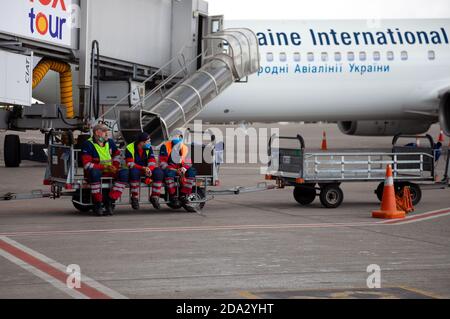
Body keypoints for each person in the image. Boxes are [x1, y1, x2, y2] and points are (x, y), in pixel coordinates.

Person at [81, 124, 129, 216]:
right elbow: (87, 165)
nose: (107, 134)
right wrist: (105, 167)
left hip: (110, 170)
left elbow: (117, 155)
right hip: (97, 171)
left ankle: (110, 201)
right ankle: (98, 203)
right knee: (94, 173)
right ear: (97, 133)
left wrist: (115, 165)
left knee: (125, 173)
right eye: (104, 132)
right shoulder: (88, 144)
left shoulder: (109, 142)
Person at [125, 132, 164, 210]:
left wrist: (149, 169)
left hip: (147, 169)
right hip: (136, 168)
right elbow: (130, 163)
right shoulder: (129, 147)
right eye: (148, 141)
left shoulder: (149, 148)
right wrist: (143, 168)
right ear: (141, 142)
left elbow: (152, 162)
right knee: (134, 172)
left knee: (159, 172)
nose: (149, 143)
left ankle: (154, 197)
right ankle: (135, 197)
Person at [159, 133, 197, 205]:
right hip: (170, 168)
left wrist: (183, 169)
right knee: (168, 173)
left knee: (192, 172)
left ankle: (183, 195)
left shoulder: (185, 148)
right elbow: (162, 163)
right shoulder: (165, 146)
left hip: (181, 167)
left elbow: (188, 162)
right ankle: (172, 196)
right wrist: (175, 170)